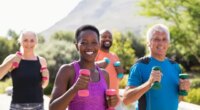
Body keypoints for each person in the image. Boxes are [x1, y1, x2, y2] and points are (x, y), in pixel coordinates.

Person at [49, 25, 119, 110]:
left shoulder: (104, 74)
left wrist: (111, 103)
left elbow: (104, 106)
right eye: (84, 43)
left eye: (94, 42)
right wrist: (75, 88)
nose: (89, 47)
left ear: (99, 45)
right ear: (76, 46)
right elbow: (52, 108)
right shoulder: (67, 71)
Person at [122, 24, 190, 110]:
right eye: (156, 39)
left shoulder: (175, 67)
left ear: (168, 43)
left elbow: (176, 99)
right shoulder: (140, 66)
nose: (161, 43)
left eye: (164, 39)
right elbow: (126, 100)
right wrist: (149, 83)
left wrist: (184, 90)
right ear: (148, 43)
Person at [0, 30, 49, 110]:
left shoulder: (42, 61)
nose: (28, 43)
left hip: (38, 106)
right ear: (20, 42)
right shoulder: (12, 58)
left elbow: (43, 85)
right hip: (17, 106)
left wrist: (46, 77)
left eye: (32, 40)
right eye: (25, 40)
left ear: (36, 42)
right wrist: (11, 61)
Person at [95, 29, 124, 94]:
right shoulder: (95, 53)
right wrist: (100, 64)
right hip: (100, 97)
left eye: (110, 37)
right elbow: (88, 68)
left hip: (115, 98)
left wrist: (120, 72)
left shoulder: (114, 56)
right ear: (97, 39)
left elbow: (120, 77)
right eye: (104, 37)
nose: (107, 39)